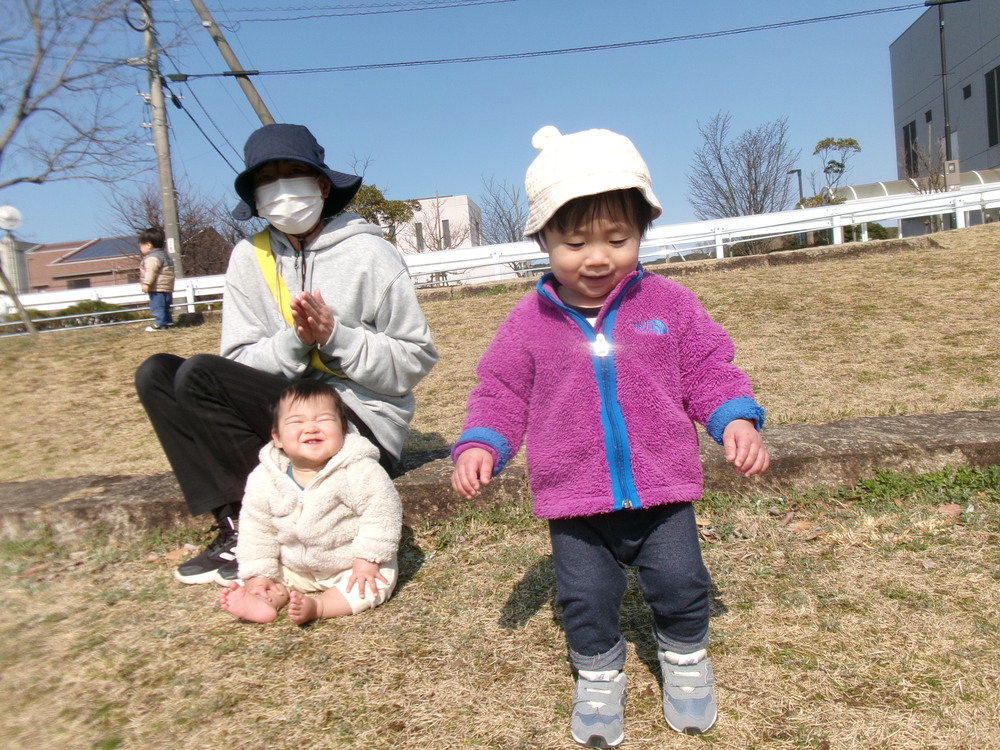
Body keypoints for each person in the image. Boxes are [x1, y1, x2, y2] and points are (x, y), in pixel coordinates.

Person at [450, 126, 769, 747]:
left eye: (617, 239)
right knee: (584, 596)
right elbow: (501, 389)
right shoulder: (528, 322)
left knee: (681, 582)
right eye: (574, 242)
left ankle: (684, 658)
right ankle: (597, 674)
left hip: (663, 487)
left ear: (641, 231)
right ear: (542, 238)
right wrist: (482, 443)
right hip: (574, 498)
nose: (597, 258)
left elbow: (708, 365)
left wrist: (732, 415)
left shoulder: (669, 305)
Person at [135, 123, 437, 587]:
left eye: (293, 173)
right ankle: (239, 524)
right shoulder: (246, 257)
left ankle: (259, 530)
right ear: (255, 197)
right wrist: (295, 341)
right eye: (266, 179)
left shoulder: (370, 253)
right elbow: (237, 359)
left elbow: (413, 360)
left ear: (321, 184)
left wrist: (336, 335)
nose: (281, 189)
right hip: (284, 413)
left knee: (197, 374)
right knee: (157, 373)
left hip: (359, 422)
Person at [219, 380, 402, 625]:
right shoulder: (264, 478)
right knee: (265, 578)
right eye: (296, 422)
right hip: (294, 566)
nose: (311, 428)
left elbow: (382, 513)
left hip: (349, 565)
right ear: (278, 438)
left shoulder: (359, 470)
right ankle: (265, 599)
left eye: (324, 419)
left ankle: (319, 606)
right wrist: (258, 574)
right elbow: (256, 528)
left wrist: (368, 559)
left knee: (376, 582)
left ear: (344, 430)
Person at [138, 226, 175, 332]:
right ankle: (168, 322)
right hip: (167, 287)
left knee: (157, 307)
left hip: (157, 288)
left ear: (149, 245)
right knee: (165, 307)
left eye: (141, 245)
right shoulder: (165, 256)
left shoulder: (152, 258)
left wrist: (147, 283)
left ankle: (159, 323)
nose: (140, 248)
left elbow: (151, 272)